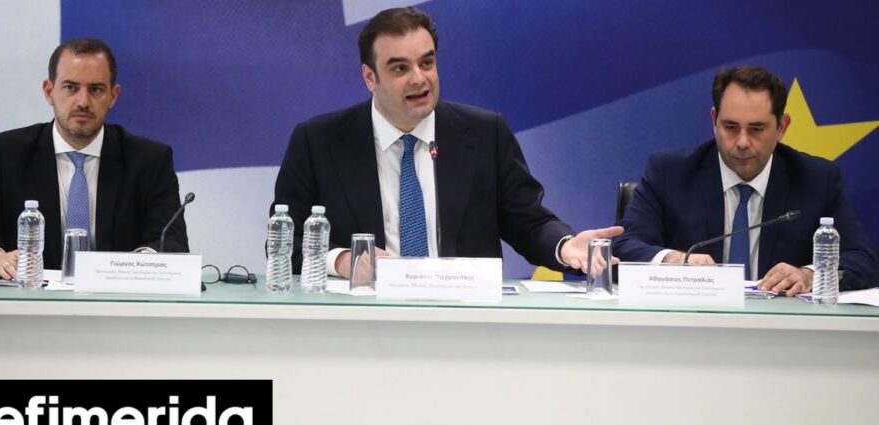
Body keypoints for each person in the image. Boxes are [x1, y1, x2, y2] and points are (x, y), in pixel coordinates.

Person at [273, 7, 621, 278]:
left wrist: (564, 245)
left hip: (464, 323)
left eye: (427, 62)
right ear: (369, 77)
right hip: (362, 324)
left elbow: (528, 222)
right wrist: (344, 261)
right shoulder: (318, 141)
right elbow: (287, 244)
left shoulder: (485, 133)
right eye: (400, 68)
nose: (419, 79)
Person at [613, 66, 878, 295]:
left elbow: (863, 261)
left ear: (782, 127)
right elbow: (622, 248)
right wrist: (673, 260)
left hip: (782, 330)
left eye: (756, 129)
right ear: (714, 120)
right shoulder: (670, 172)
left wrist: (809, 275)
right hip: (691, 326)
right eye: (730, 127)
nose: (742, 142)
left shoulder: (816, 179)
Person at [0, 38, 189, 279]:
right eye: (70, 87)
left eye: (96, 89)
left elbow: (171, 242)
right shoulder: (6, 153)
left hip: (116, 297)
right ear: (49, 91)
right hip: (30, 297)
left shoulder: (150, 160)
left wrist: (134, 267)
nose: (83, 102)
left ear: (113, 96)